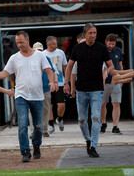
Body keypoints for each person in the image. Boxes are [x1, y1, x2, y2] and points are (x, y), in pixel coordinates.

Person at [0, 31, 55, 163]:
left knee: (38, 127)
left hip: (37, 97)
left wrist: (51, 82)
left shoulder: (40, 56)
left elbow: (49, 71)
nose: (19, 45)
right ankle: (25, 152)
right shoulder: (14, 58)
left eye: (21, 42)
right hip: (21, 96)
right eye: (17, 42)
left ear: (28, 40)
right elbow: (3, 74)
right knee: (22, 125)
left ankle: (36, 145)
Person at [64, 23, 115, 158]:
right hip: (81, 89)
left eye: (95, 33)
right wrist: (67, 83)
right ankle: (87, 139)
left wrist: (106, 71)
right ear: (85, 34)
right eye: (90, 33)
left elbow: (111, 66)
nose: (93, 35)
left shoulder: (102, 48)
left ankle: (93, 146)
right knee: (81, 120)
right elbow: (69, 67)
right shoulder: (77, 48)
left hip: (97, 89)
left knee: (96, 118)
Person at [31, 42, 57, 137]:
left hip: (45, 87)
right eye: (37, 50)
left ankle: (44, 129)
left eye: (41, 50)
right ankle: (34, 130)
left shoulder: (46, 59)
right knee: (33, 110)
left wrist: (54, 83)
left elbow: (52, 71)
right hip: (33, 88)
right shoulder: (30, 60)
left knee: (46, 109)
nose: (39, 52)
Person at [43, 36, 67, 133]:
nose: (56, 45)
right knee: (50, 105)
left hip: (60, 82)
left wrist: (67, 81)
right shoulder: (43, 54)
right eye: (53, 44)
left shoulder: (60, 52)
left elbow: (65, 66)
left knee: (61, 104)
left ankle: (60, 118)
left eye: (56, 43)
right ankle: (51, 124)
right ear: (48, 45)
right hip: (48, 83)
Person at [100, 34, 123, 134]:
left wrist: (121, 79)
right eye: (110, 44)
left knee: (116, 103)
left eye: (113, 44)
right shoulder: (102, 50)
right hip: (104, 81)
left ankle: (115, 125)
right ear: (106, 42)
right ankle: (103, 123)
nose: (111, 46)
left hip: (116, 80)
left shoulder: (118, 51)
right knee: (102, 103)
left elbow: (120, 65)